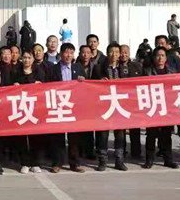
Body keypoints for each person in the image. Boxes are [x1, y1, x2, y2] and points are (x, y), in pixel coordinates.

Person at [43, 43, 85, 173]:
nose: (68, 55)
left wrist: (82, 80)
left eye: (71, 53)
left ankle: (75, 163)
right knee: (58, 137)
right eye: (66, 52)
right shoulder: (53, 69)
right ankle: (57, 163)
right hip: (58, 106)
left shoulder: (78, 68)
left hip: (73, 106)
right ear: (61, 54)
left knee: (74, 137)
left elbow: (85, 86)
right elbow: (47, 86)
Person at [94, 43, 128, 172]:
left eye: (117, 52)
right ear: (107, 53)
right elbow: (91, 85)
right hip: (104, 105)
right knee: (103, 135)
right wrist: (99, 82)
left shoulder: (125, 69)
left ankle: (119, 160)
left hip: (120, 105)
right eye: (111, 52)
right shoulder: (98, 68)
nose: (114, 54)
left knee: (120, 135)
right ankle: (102, 160)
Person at [142, 48, 178, 169]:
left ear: (166, 58)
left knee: (166, 135)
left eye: (162, 55)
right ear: (154, 58)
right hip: (152, 107)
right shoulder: (147, 71)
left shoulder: (172, 72)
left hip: (166, 108)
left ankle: (168, 159)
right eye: (158, 55)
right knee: (151, 135)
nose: (160, 58)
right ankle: (149, 160)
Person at [119, 44, 143, 160]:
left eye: (126, 52)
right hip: (120, 100)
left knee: (135, 128)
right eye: (121, 52)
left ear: (129, 53)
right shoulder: (115, 67)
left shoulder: (136, 66)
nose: (123, 54)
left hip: (133, 101)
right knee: (120, 129)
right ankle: (121, 151)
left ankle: (136, 152)